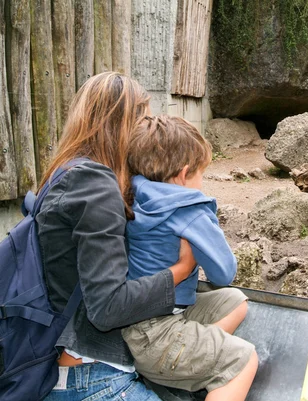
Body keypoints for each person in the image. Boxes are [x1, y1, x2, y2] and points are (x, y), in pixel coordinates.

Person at [38, 72, 198, 400]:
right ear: (123, 123)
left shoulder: (66, 172)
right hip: (96, 377)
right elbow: (107, 307)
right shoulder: (95, 187)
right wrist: (182, 268)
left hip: (74, 369)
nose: (147, 129)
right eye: (142, 118)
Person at [121, 115, 258, 399]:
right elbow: (224, 273)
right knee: (242, 359)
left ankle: (187, 367)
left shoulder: (131, 193)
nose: (202, 183)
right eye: (201, 175)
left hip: (140, 321)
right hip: (156, 335)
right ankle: (192, 365)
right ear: (184, 174)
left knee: (235, 301)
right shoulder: (188, 209)